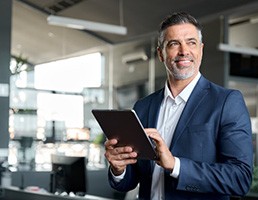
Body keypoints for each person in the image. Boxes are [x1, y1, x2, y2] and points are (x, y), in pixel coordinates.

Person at [104, 12, 253, 200]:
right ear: (161, 53)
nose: (184, 51)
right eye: (174, 44)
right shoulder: (143, 107)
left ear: (201, 49)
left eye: (191, 42)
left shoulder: (226, 102)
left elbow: (240, 179)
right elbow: (131, 180)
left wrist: (175, 165)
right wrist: (119, 168)